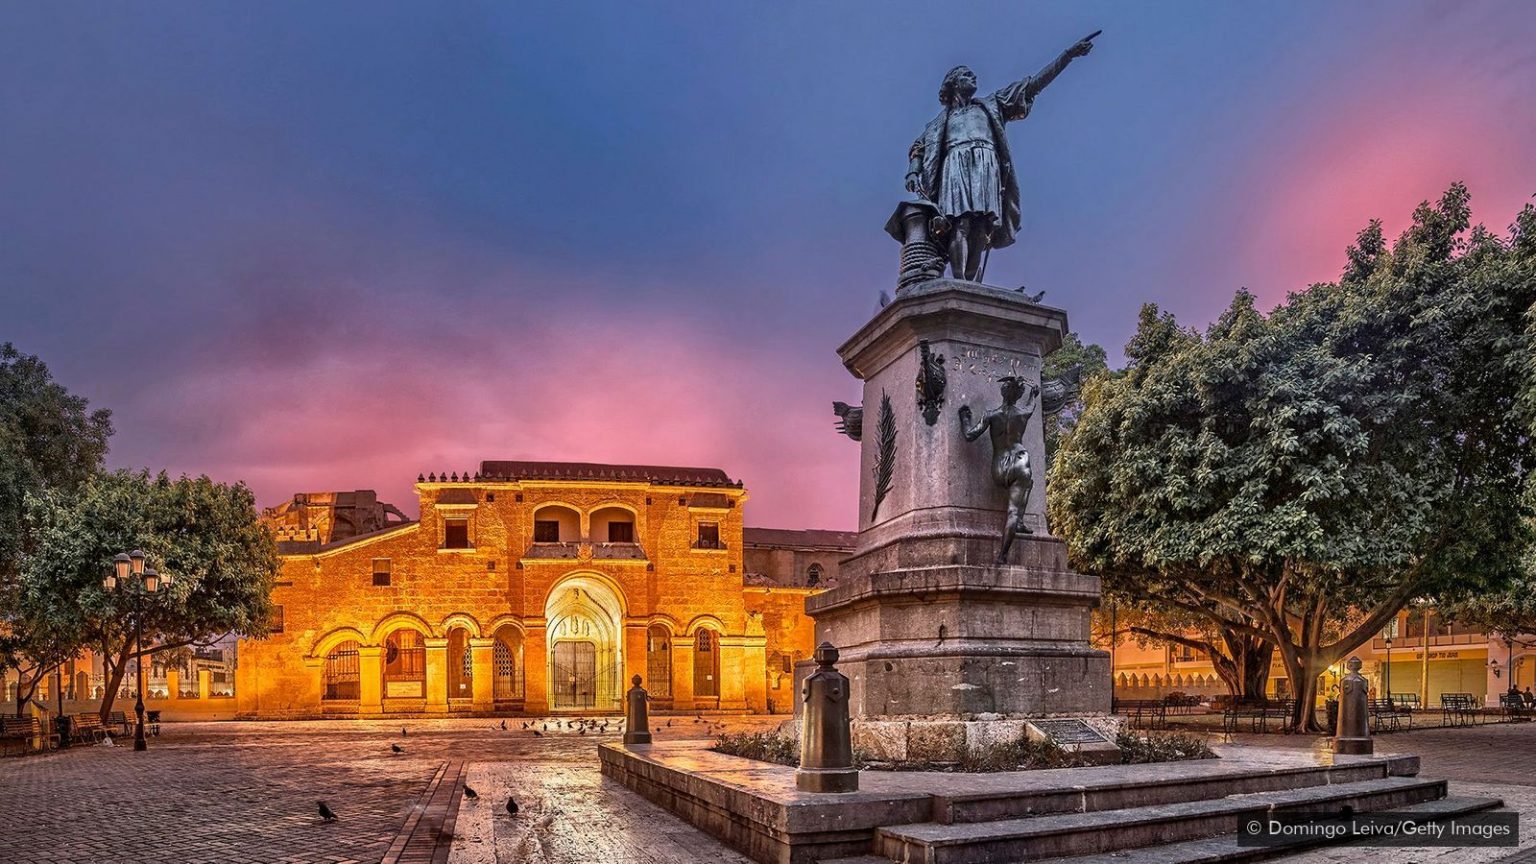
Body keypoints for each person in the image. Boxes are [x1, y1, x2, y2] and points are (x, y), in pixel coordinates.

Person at [905, 35, 1096, 281]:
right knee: (960, 223)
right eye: (967, 75)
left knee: (981, 227)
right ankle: (959, 281)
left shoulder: (992, 105)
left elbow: (1032, 85)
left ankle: (970, 286)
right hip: (954, 164)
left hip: (986, 164)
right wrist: (913, 170)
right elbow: (919, 148)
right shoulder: (937, 124)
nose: (974, 77)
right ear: (953, 84)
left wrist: (1067, 56)